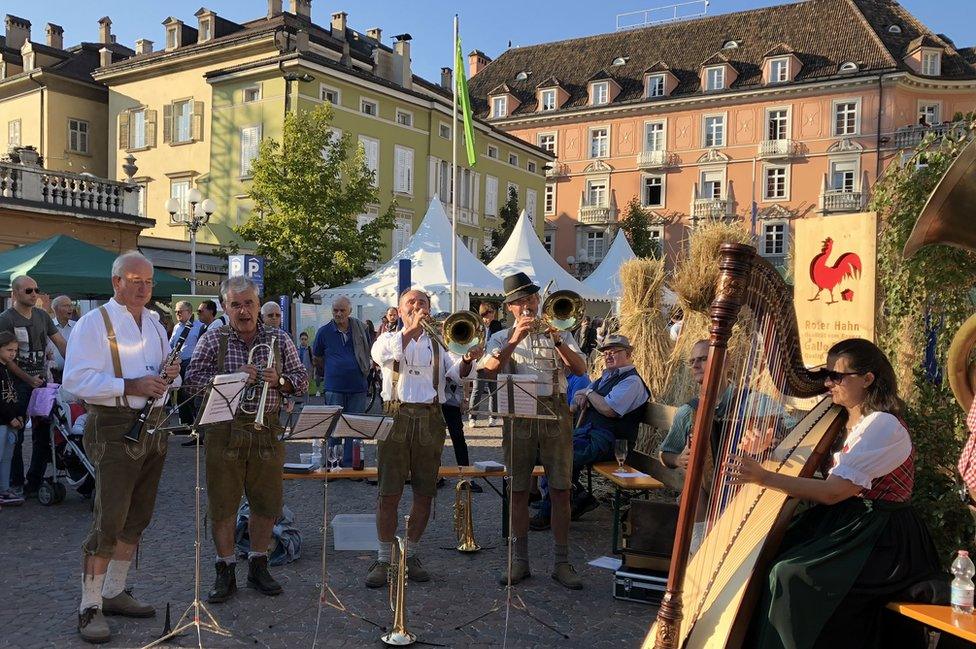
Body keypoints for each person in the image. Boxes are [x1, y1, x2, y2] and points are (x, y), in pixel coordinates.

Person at [726, 338, 942, 649]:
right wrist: (767, 451)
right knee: (771, 555)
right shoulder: (843, 419)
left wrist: (764, 477)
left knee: (790, 575)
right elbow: (826, 476)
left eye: (837, 376)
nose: (828, 383)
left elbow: (834, 491)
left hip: (882, 538)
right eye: (826, 375)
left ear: (867, 379)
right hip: (847, 523)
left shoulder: (883, 426)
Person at [63, 252, 181, 644]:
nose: (142, 288)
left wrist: (170, 377)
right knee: (110, 518)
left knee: (138, 516)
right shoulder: (93, 324)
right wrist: (130, 385)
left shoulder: (155, 323)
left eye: (147, 282)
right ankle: (89, 605)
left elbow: (161, 380)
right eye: (134, 280)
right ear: (116, 282)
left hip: (154, 427)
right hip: (113, 426)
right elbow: (75, 380)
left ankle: (114, 590)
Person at [185, 275, 308, 604]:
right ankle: (225, 569)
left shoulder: (278, 338)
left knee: (267, 504)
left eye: (249, 303)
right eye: (236, 304)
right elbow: (192, 381)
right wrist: (232, 379)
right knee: (223, 504)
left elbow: (302, 380)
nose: (243, 310)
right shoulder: (215, 338)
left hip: (266, 428)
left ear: (258, 304)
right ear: (225, 307)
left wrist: (280, 381)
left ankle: (258, 564)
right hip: (224, 429)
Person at [480, 272, 588, 590]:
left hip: (555, 409)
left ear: (538, 301)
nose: (527, 306)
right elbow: (488, 372)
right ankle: (520, 561)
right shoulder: (500, 337)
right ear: (510, 308)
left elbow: (581, 369)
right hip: (519, 413)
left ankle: (561, 562)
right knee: (517, 490)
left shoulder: (559, 330)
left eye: (530, 299)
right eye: (519, 302)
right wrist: (515, 340)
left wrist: (556, 339)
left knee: (560, 489)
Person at [365, 289, 479, 588]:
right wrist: (413, 328)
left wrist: (467, 358)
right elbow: (380, 356)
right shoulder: (388, 338)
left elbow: (460, 374)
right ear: (400, 311)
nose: (418, 307)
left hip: (431, 417)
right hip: (396, 416)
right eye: (411, 304)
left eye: (423, 303)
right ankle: (383, 557)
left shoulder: (442, 343)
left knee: (425, 491)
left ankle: (412, 553)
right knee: (389, 492)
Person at [532, 335, 650, 528]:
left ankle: (552, 510)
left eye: (614, 352)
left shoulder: (632, 382)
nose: (608, 356)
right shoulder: (605, 378)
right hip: (591, 434)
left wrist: (588, 394)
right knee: (548, 447)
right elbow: (576, 402)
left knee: (561, 457)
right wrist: (584, 395)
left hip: (612, 442)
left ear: (628, 354)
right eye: (606, 352)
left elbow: (609, 409)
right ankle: (576, 496)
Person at [0, 274, 67, 496]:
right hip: (16, 384)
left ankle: (34, 482)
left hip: (42, 384)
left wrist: (76, 367)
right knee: (16, 434)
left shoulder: (42, 315)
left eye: (36, 289)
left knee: (44, 434)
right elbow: (6, 359)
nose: (34, 294)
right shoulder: (6, 319)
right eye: (28, 290)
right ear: (15, 293)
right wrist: (28, 379)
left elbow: (60, 343)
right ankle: (16, 481)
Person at [312, 296, 372, 465]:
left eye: (342, 310)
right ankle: (333, 465)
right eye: (335, 310)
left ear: (350, 311)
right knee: (334, 427)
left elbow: (367, 351)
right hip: (334, 387)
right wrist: (332, 370)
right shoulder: (324, 331)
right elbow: (317, 357)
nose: (338, 314)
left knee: (355, 427)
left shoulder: (361, 329)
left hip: (358, 386)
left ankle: (352, 465)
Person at [468, 302, 503, 428]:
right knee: (477, 390)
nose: (491, 317)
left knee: (494, 391)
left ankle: (492, 417)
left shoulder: (497, 325)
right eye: (489, 315)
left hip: (493, 360)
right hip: (480, 361)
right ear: (483, 314)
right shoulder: (476, 325)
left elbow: (500, 340)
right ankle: (472, 416)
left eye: (493, 314)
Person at [0, 331, 25, 506]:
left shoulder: (9, 369)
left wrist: (19, 415)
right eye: (9, 350)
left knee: (7, 457)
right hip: (1, 422)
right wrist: (10, 418)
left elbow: (12, 396)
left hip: (11, 421)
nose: (12, 354)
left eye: (15, 350)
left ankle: (4, 488)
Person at [170, 301, 203, 426]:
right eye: (176, 311)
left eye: (180, 311)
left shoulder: (199, 326)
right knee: (180, 394)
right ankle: (185, 424)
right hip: (178, 364)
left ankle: (196, 424)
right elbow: (171, 345)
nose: (177, 314)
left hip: (192, 364)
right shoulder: (176, 327)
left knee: (190, 394)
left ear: (189, 312)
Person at [47, 295, 76, 384]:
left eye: (71, 305)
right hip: (51, 375)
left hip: (72, 374)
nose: (70, 308)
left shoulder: (77, 326)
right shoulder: (47, 326)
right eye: (66, 306)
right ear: (55, 309)